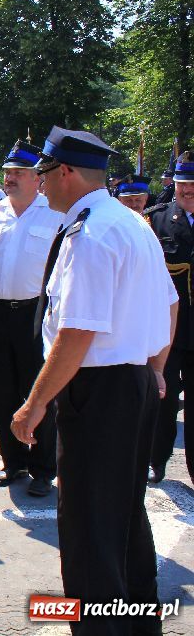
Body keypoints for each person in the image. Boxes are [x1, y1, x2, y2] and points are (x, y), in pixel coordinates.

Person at [11, 127, 177, 636]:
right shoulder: (131, 223)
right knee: (123, 519)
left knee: (89, 529)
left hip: (99, 392)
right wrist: (154, 370)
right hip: (132, 384)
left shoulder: (92, 233)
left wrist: (35, 403)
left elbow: (78, 331)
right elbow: (170, 304)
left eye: (43, 173)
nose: (40, 184)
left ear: (65, 172)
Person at [0, 140, 63, 496]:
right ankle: (13, 461)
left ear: (38, 178)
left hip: (38, 313)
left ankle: (43, 469)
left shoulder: (56, 215)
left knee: (40, 389)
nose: (11, 178)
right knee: (2, 391)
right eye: (7, 172)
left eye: (19, 172)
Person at [144, 151, 194, 485]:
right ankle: (156, 460)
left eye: (192, 185)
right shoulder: (157, 220)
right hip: (167, 330)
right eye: (181, 184)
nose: (186, 191)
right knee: (162, 398)